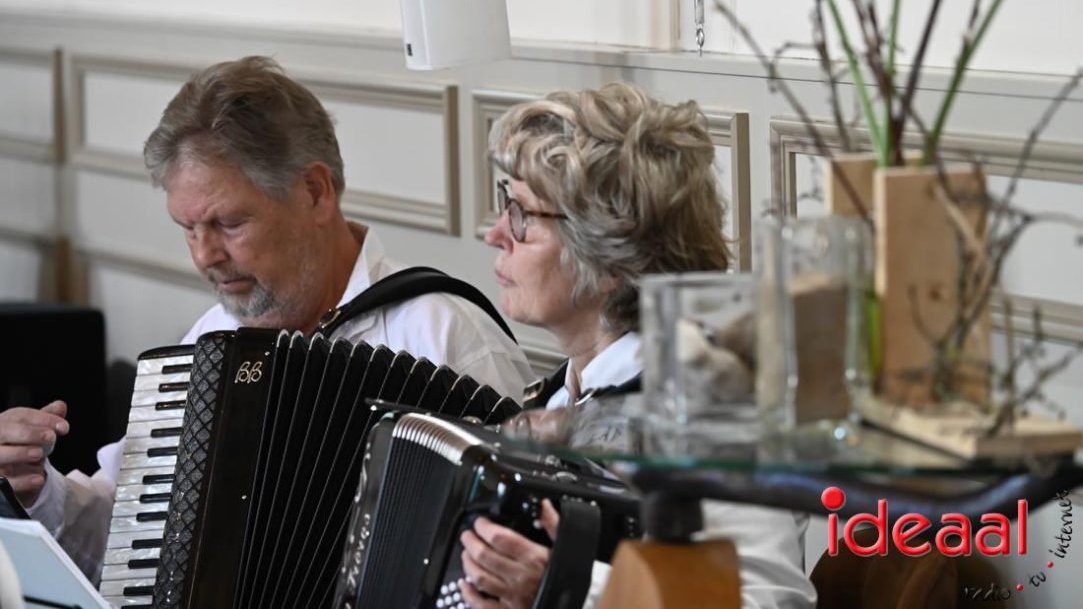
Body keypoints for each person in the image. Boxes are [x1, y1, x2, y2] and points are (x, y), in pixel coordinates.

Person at [0, 56, 533, 583]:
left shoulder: (447, 339)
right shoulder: (213, 338)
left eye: (229, 223)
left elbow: (511, 565)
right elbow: (128, 540)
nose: (205, 255)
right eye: (188, 228)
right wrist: (38, 490)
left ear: (315, 192)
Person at [458, 82, 816, 608]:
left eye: (522, 215)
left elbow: (767, 602)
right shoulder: (561, 396)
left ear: (608, 257)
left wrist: (569, 590)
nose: (495, 233)